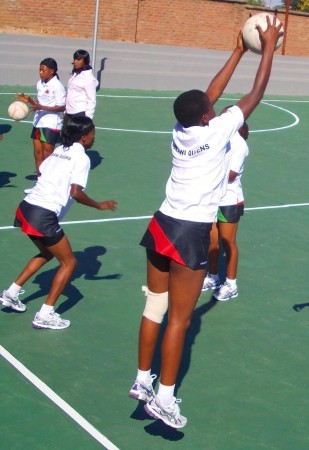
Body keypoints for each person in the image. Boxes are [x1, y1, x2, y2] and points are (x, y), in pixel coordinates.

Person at [129, 18, 283, 429]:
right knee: (180, 320)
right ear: (206, 116)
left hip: (161, 223)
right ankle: (164, 398)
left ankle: (142, 380)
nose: (215, 104)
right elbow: (257, 92)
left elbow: (206, 95)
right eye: (211, 106)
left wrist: (237, 49)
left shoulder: (182, 130)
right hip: (190, 231)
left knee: (155, 306)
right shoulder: (217, 132)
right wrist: (267, 48)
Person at [0, 116, 118, 329]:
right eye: (92, 133)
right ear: (84, 137)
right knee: (69, 262)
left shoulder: (58, 150)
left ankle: (11, 293)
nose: (94, 137)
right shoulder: (82, 158)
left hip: (26, 207)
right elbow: (76, 193)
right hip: (43, 215)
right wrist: (99, 205)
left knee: (47, 253)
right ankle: (45, 314)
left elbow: (41, 171)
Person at [202, 112, 250, 301]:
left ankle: (231, 284)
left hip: (230, 200)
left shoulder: (239, 145)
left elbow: (231, 174)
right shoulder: (219, 138)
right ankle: (212, 277)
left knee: (227, 241)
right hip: (214, 198)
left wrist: (207, 173)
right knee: (212, 240)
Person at [16, 58, 66, 192]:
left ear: (52, 71)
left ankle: (50, 186)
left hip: (51, 124)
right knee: (38, 154)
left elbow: (61, 107)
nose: (40, 72)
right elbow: (40, 103)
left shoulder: (57, 86)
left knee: (47, 155)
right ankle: (39, 185)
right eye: (39, 69)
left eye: (43, 70)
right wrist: (30, 100)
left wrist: (41, 107)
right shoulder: (40, 84)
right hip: (38, 122)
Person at [64, 49, 98, 129]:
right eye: (75, 59)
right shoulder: (75, 74)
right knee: (65, 139)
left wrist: (88, 119)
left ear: (85, 61)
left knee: (76, 140)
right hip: (69, 113)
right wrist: (65, 111)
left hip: (79, 114)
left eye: (78, 59)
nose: (75, 61)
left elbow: (91, 100)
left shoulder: (88, 78)